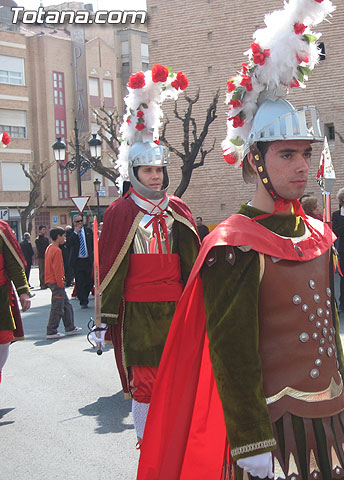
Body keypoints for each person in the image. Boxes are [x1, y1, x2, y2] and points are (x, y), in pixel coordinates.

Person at [139, 4, 344, 477]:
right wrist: (250, 442)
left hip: (335, 418)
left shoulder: (315, 232)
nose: (302, 166)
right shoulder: (234, 244)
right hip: (273, 431)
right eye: (287, 154)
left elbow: (326, 322)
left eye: (306, 153)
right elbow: (234, 354)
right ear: (255, 162)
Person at [97, 65, 199, 444]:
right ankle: (148, 445)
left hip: (177, 307)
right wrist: (106, 319)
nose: (155, 177)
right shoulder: (120, 212)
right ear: (133, 171)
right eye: (147, 170)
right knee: (145, 382)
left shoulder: (178, 209)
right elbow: (109, 267)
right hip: (138, 310)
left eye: (159, 170)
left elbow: (194, 261)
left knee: (181, 377)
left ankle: (179, 441)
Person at [0, 219, 31, 384]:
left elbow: (13, 263)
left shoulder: (2, 229)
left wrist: (23, 291)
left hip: (1, 296)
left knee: (3, 340)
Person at [44, 227, 80, 339]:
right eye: (63, 236)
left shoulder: (50, 248)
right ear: (58, 236)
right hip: (56, 282)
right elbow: (58, 269)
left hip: (51, 280)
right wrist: (61, 283)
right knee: (57, 307)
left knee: (66, 305)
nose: (65, 238)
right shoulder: (56, 250)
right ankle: (51, 330)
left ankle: (70, 326)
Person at [66, 215, 93, 307]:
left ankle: (85, 295)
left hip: (88, 260)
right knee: (80, 281)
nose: (79, 223)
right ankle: (83, 301)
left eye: (81, 221)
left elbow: (92, 245)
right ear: (74, 223)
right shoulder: (70, 232)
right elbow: (68, 244)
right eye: (77, 221)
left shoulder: (88, 231)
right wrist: (75, 233)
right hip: (77, 261)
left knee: (90, 280)